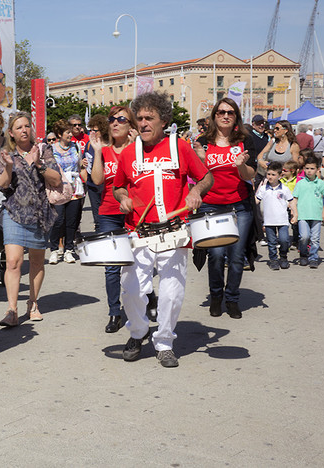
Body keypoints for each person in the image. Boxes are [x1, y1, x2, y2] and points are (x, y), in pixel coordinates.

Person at [114, 92, 212, 368]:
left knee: (171, 293)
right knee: (132, 289)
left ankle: (165, 342)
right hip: (139, 230)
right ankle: (138, 331)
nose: (143, 123)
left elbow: (206, 176)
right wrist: (123, 198)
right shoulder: (129, 153)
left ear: (163, 120)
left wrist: (195, 191)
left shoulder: (180, 147)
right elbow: (119, 185)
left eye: (149, 118)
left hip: (174, 231)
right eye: (140, 118)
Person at [194, 98, 257, 320]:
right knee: (217, 255)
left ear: (236, 117)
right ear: (214, 116)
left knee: (237, 256)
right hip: (211, 205)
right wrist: (201, 160)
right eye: (221, 112)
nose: (225, 115)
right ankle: (216, 297)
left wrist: (241, 164)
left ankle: (232, 299)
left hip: (239, 205)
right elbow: (196, 176)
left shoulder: (245, 141)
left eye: (230, 112)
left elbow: (251, 176)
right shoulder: (203, 141)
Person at [0, 111, 60, 327]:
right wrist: (8, 167)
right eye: (19, 128)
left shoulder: (43, 149)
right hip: (14, 212)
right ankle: (11, 309)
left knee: (36, 261)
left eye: (26, 126)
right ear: (11, 134)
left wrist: (39, 164)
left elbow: (57, 179)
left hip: (40, 213)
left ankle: (32, 303)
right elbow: (2, 184)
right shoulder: (6, 154)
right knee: (13, 262)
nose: (24, 130)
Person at [90, 106, 133, 333]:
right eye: (112, 120)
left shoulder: (138, 150)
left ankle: (147, 297)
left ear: (130, 125)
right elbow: (97, 180)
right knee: (112, 267)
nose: (115, 123)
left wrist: (137, 147)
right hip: (108, 213)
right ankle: (114, 312)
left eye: (121, 119)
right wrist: (97, 151)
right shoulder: (105, 151)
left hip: (134, 213)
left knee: (139, 263)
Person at [48, 119, 87, 264]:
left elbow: (80, 166)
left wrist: (84, 168)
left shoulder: (76, 146)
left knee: (72, 221)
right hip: (59, 187)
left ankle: (69, 250)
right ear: (60, 134)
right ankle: (54, 250)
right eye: (68, 132)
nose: (71, 134)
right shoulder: (51, 148)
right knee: (58, 220)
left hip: (75, 187)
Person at [290, 155, 324, 268]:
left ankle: (313, 257)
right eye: (307, 168)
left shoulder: (321, 184)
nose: (309, 171)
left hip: (316, 215)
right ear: (303, 169)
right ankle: (303, 254)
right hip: (303, 215)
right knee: (304, 237)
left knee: (315, 239)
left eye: (312, 168)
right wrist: (294, 212)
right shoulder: (300, 183)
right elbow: (295, 198)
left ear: (318, 169)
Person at [256, 161, 294, 270]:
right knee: (271, 242)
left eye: (273, 174)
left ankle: (283, 257)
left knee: (284, 240)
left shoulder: (284, 189)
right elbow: (256, 201)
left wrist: (295, 214)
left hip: (282, 220)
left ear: (280, 175)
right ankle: (273, 259)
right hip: (268, 221)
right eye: (268, 174)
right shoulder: (263, 188)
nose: (270, 177)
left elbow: (291, 201)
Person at [84, 113, 110, 232]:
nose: (92, 133)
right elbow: (84, 159)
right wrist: (83, 162)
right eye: (91, 130)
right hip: (92, 185)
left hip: (106, 185)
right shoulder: (89, 144)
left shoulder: (109, 144)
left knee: (107, 215)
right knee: (97, 217)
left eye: (95, 130)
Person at [249, 115, 270, 186]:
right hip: (253, 169)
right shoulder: (249, 136)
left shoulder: (267, 137)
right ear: (253, 125)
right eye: (258, 123)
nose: (261, 125)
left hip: (264, 168)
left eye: (262, 123)